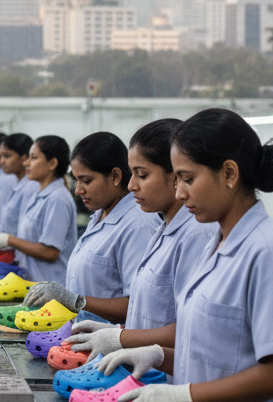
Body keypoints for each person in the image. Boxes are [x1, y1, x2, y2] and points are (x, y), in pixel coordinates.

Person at [94, 109, 273, 402]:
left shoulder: (269, 252)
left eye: (188, 179)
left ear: (229, 173)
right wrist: (158, 355)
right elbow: (218, 353)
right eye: (177, 180)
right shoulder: (217, 245)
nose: (179, 193)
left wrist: (184, 396)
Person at [65, 119, 214, 359]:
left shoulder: (195, 234)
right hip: (145, 371)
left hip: (168, 375)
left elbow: (195, 329)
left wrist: (120, 338)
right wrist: (119, 333)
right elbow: (147, 311)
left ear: (177, 176)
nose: (132, 185)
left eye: (142, 175)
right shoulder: (163, 229)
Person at [22, 131, 159, 322]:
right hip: (81, 333)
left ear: (115, 176)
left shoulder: (138, 226)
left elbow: (137, 305)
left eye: (86, 181)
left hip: (109, 338)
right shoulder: (99, 216)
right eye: (76, 180)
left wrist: (74, 300)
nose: (78, 190)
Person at [0, 135, 77, 283]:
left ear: (52, 163)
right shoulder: (39, 195)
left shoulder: (57, 199)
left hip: (51, 286)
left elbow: (50, 252)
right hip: (33, 282)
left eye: (33, 158)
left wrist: (9, 240)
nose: (26, 163)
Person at [0, 133, 38, 237]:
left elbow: (24, 231)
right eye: (0, 156)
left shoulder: (30, 187)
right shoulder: (18, 184)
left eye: (7, 156)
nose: (2, 161)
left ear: (23, 159)